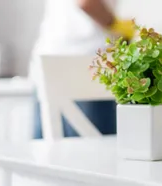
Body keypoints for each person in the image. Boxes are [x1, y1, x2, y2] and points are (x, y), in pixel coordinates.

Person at [29, 0, 134, 138]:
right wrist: (115, 25)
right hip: (86, 60)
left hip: (51, 58)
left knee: (49, 150)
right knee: (97, 153)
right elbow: (86, 2)